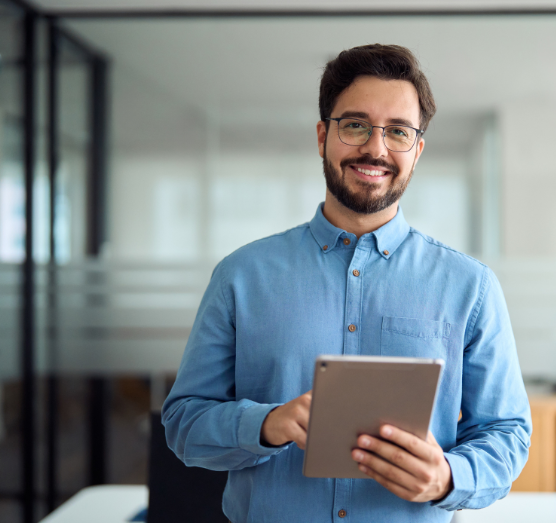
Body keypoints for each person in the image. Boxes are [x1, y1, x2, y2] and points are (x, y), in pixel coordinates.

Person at [162, 44, 531, 522]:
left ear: (416, 151)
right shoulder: (241, 276)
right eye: (356, 125)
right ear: (323, 136)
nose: (375, 148)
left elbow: (507, 433)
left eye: (398, 132)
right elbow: (183, 424)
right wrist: (267, 424)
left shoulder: (470, 287)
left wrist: (448, 477)